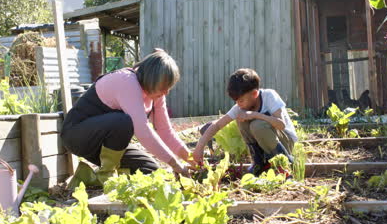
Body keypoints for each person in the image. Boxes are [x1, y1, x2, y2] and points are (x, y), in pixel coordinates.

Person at [61, 49, 194, 186]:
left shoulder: (156, 93)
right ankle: (106, 176)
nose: (166, 92)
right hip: (78, 136)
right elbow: (142, 130)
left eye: (169, 87)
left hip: (105, 145)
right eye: (163, 86)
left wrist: (191, 159)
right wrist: (175, 164)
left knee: (150, 169)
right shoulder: (127, 81)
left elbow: (165, 130)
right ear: (151, 79)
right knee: (123, 121)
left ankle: (87, 177)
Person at [193, 68, 297, 176]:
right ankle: (259, 163)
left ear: (255, 94)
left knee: (257, 125)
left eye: (241, 100)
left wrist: (255, 115)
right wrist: (199, 147)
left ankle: (285, 164)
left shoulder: (269, 96)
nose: (238, 104)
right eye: (236, 101)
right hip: (267, 146)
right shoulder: (240, 106)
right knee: (241, 120)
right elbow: (218, 124)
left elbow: (281, 125)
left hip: (286, 142)